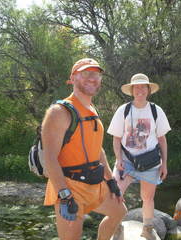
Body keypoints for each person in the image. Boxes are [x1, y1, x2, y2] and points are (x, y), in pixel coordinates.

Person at [42, 58, 127, 240]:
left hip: (95, 183)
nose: (91, 78)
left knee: (119, 211)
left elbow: (98, 149)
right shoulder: (59, 112)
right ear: (72, 78)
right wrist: (65, 196)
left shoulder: (91, 109)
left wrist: (111, 182)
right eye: (85, 73)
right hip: (69, 186)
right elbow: (49, 158)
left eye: (95, 74)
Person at [107, 73, 171, 240]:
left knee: (147, 198)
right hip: (126, 160)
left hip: (150, 162)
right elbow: (116, 138)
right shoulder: (124, 110)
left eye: (144, 86)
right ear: (132, 90)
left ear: (148, 90)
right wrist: (118, 159)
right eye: (137, 87)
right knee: (115, 195)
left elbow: (162, 139)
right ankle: (117, 228)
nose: (140, 90)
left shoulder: (156, 111)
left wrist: (164, 164)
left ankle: (147, 229)